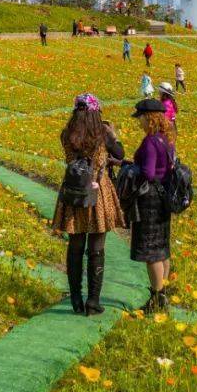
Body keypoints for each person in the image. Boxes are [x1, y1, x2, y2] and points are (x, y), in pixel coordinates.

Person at [52, 94, 125, 316]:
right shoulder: (102, 133)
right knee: (96, 248)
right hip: (98, 191)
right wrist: (113, 134)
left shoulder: (67, 134)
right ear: (96, 112)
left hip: (74, 191)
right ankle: (93, 301)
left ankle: (76, 299)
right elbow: (120, 154)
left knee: (75, 246)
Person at [128, 98, 175, 313]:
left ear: (149, 118)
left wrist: (132, 167)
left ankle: (157, 298)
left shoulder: (150, 142)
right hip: (164, 196)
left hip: (150, 200)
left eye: (140, 118)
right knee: (162, 249)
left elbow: (147, 173)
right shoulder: (165, 139)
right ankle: (162, 292)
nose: (139, 122)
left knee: (150, 251)